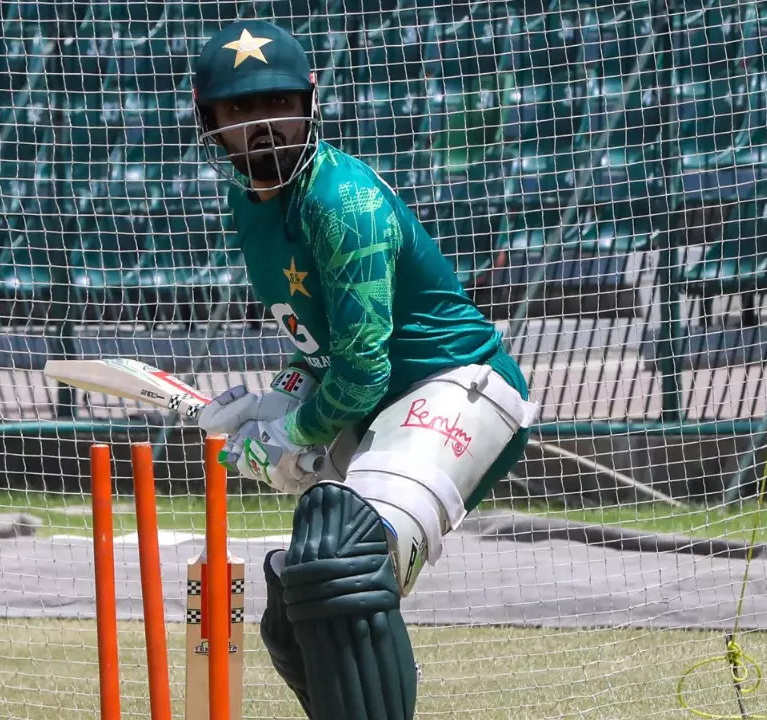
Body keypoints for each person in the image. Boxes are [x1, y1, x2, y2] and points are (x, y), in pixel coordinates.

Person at [190, 19, 539, 720]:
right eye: (240, 111)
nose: (262, 128)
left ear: (311, 99)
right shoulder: (248, 201)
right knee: (300, 609)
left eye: (277, 104)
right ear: (210, 122)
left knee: (339, 553)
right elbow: (320, 345)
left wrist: (295, 433)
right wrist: (277, 402)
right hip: (373, 403)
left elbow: (361, 365)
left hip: (456, 384)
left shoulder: (340, 201)